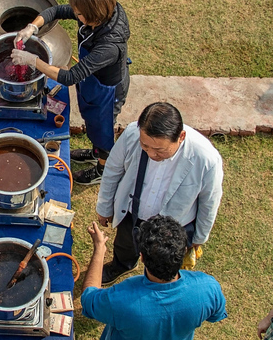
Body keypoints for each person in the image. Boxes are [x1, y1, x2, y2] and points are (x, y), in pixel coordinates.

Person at [80, 216, 227, 340]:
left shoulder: (122, 298)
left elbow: (89, 298)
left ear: (141, 256)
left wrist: (100, 250)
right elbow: (216, 313)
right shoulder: (207, 288)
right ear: (183, 251)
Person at [11, 0, 130, 185]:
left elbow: (70, 76)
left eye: (79, 14)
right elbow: (55, 11)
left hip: (107, 91)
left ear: (94, 16)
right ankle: (94, 152)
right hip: (92, 78)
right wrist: (32, 27)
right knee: (91, 122)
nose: (75, 15)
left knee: (103, 131)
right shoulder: (99, 12)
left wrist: (32, 60)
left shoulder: (109, 45)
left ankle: (103, 167)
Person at [96, 102, 223, 285]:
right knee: (125, 245)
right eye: (145, 146)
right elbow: (113, 170)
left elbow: (209, 201)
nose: (151, 154)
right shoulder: (132, 133)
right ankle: (122, 265)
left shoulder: (207, 159)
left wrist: (199, 238)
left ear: (181, 137)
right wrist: (105, 206)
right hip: (133, 214)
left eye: (159, 150)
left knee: (163, 263)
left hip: (173, 226)